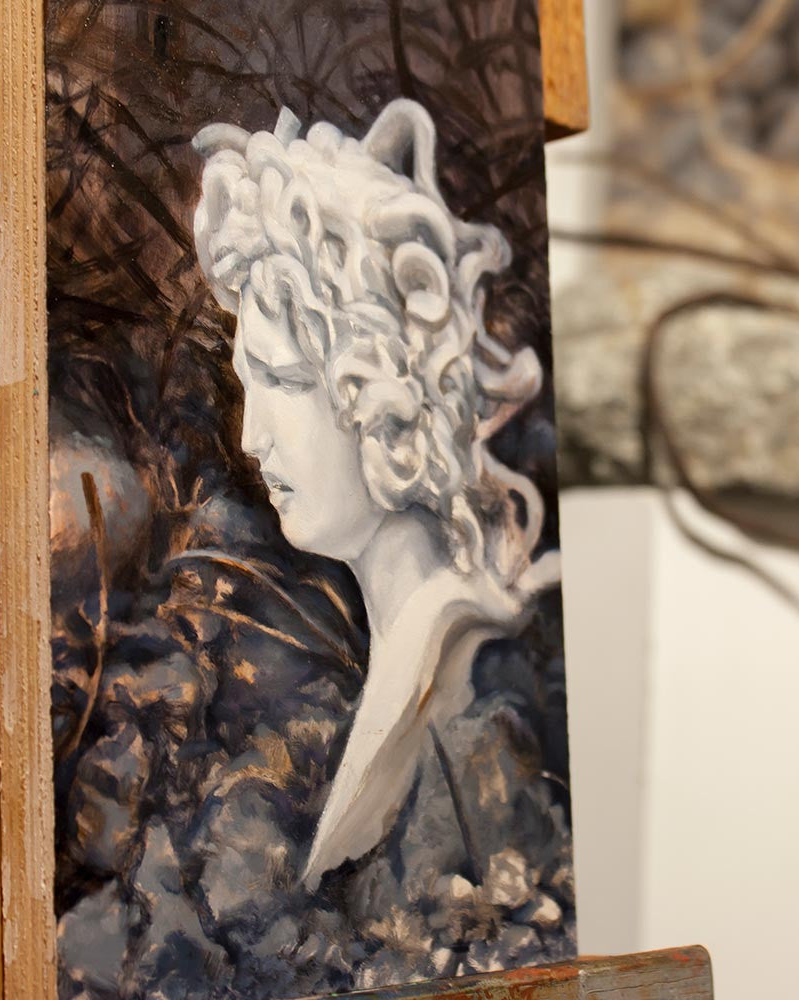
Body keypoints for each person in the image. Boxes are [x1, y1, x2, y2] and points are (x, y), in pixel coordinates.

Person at [191, 98, 560, 889]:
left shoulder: (467, 691)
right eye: (250, 385)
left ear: (383, 389)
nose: (251, 438)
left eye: (282, 380)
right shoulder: (407, 654)